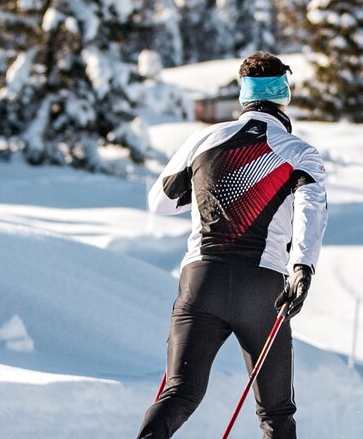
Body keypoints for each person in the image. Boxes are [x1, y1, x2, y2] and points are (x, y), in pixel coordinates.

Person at [140, 52, 329, 439]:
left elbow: (159, 203)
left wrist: (209, 190)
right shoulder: (298, 152)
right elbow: (312, 208)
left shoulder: (204, 139)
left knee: (180, 393)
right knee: (275, 412)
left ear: (244, 95)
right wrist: (302, 268)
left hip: (201, 281)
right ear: (284, 95)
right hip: (262, 288)